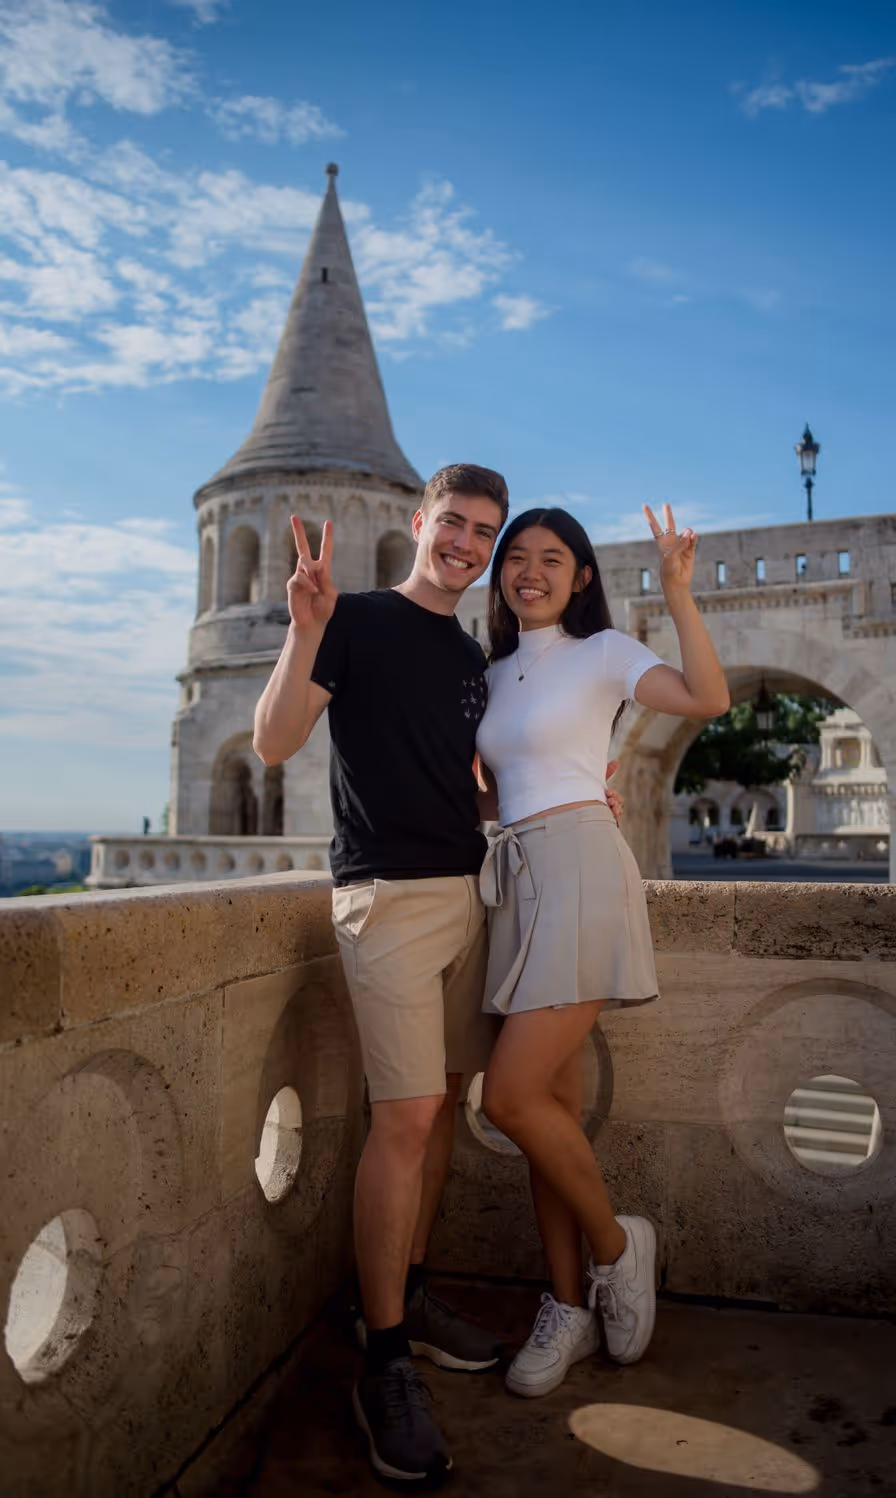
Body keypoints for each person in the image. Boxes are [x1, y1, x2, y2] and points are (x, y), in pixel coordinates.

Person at [253, 465, 510, 1485]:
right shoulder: (350, 618)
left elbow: (470, 786)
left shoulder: (468, 654)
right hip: (385, 902)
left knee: (439, 1109)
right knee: (403, 1118)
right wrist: (302, 627)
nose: (466, 543)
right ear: (418, 522)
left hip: (465, 894)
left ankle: (405, 1286)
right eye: (453, 522)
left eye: (483, 531)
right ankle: (385, 1359)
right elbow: (274, 741)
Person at [474, 503, 729, 1399]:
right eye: (517, 558)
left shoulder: (606, 654)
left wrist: (677, 591)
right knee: (549, 1107)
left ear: (582, 576)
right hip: (514, 879)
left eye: (553, 558)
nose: (530, 571)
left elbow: (706, 700)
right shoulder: (493, 669)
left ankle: (618, 1249)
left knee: (507, 1096)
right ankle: (565, 1305)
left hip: (580, 865)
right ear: (500, 575)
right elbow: (496, 788)